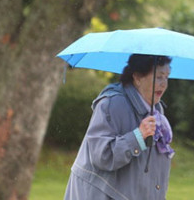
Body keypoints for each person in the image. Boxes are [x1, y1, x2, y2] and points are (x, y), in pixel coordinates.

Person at [64, 54, 174, 200]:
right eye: (159, 77)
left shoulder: (157, 110)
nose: (164, 84)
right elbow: (103, 155)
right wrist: (138, 136)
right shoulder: (112, 104)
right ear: (138, 77)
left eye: (167, 77)